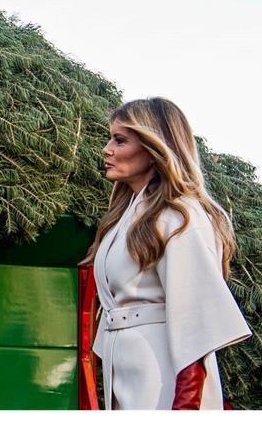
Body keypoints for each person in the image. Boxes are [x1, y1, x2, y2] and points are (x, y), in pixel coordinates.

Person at [82, 97, 251, 410]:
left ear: (153, 148)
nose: (107, 149)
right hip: (126, 371)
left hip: (164, 374)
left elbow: (198, 323)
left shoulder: (181, 215)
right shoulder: (124, 218)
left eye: (120, 140)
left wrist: (184, 408)